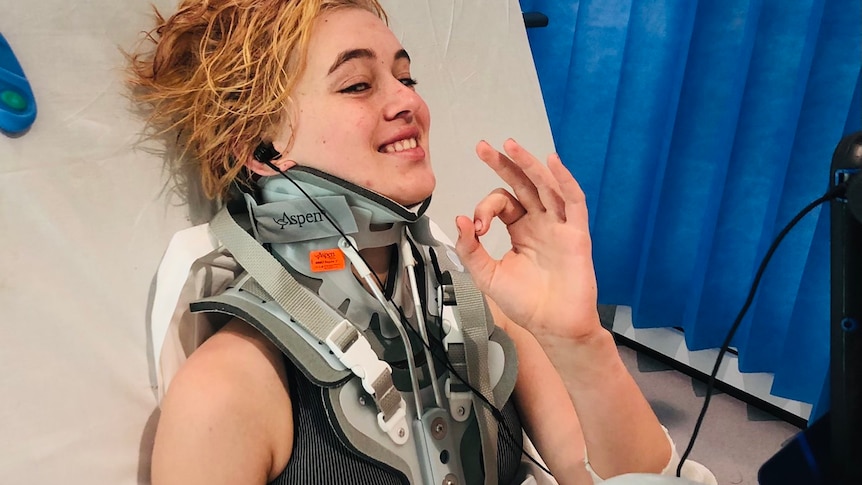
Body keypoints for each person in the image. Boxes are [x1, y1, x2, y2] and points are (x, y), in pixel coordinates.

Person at [128, 1, 714, 484]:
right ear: (256, 150)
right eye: (358, 84)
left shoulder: (478, 315)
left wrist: (579, 340)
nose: (409, 101)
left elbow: (598, 474)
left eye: (406, 77)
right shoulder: (228, 390)